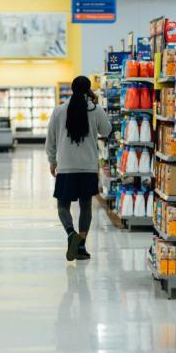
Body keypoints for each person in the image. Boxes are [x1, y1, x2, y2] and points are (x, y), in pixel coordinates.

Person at [46, 76, 112, 262]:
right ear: (88, 89)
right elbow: (106, 131)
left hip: (66, 166)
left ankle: (70, 233)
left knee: (62, 206)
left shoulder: (59, 111)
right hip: (88, 166)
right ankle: (81, 246)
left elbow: (50, 139)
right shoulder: (95, 109)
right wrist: (96, 106)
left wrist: (52, 161)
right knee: (85, 206)